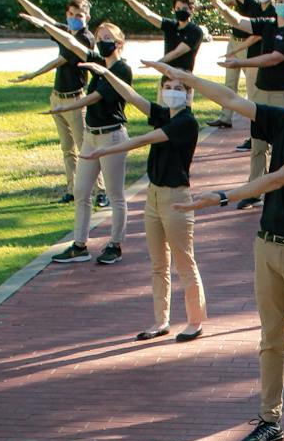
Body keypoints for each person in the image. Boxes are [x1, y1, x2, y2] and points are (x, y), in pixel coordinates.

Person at [148, 57, 284, 441]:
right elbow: (232, 98)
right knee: (270, 340)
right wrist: (187, 77)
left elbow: (278, 178)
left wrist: (224, 195)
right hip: (267, 246)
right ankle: (270, 420)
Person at [79, 65, 207, 343]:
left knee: (184, 262)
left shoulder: (186, 122)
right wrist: (106, 72)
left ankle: (195, 321)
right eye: (167, 87)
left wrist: (106, 149)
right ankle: (161, 321)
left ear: (188, 94)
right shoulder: (162, 115)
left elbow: (147, 138)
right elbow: (132, 96)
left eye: (178, 88)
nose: (172, 92)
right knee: (158, 264)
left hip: (176, 199)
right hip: (153, 196)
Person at [27, 16, 134, 265]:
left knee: (116, 195)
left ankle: (115, 245)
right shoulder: (96, 62)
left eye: (108, 38)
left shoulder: (121, 69)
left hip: (112, 136)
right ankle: (79, 245)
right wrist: (43, 23)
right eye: (99, 38)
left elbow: (95, 97)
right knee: (82, 190)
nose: (102, 42)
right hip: (91, 136)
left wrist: (66, 107)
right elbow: (72, 43)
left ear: (119, 42)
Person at [0, 0, 96, 203]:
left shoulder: (85, 39)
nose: (74, 19)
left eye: (79, 15)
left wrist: (32, 75)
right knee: (67, 148)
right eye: (71, 14)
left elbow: (59, 61)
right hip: (57, 97)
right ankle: (73, 189)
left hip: (76, 100)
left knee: (84, 147)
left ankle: (100, 191)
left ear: (87, 18)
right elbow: (43, 18)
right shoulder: (65, 33)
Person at [216, 0, 284, 188]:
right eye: (281, 1)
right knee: (258, 145)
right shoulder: (268, 25)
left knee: (282, 145)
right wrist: (221, 7)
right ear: (275, 4)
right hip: (260, 93)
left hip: (283, 96)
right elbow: (240, 22)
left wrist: (240, 63)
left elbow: (274, 59)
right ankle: (255, 189)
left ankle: (282, 187)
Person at [194, 0, 269, 130]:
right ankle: (225, 117)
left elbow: (256, 34)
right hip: (233, 41)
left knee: (252, 88)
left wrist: (237, 50)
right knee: (229, 82)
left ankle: (256, 126)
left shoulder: (256, 3)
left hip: (248, 46)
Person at [113, 0, 204, 71]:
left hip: (185, 77)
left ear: (191, 9)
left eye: (184, 8)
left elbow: (177, 52)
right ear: (174, 9)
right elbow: (147, 14)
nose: (181, 11)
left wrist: (156, 63)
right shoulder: (170, 25)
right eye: (178, 8)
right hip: (167, 76)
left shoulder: (195, 31)